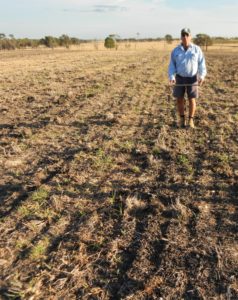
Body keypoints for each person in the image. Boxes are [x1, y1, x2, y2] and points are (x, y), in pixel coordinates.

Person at [168, 28, 207, 128]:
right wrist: (172, 76)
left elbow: (201, 64)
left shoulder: (196, 49)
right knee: (179, 99)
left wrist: (201, 76)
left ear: (190, 37)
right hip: (179, 78)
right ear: (181, 37)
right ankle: (182, 119)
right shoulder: (175, 51)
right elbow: (172, 65)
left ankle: (191, 120)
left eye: (187, 35)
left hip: (192, 78)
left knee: (191, 99)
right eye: (183, 35)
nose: (185, 37)